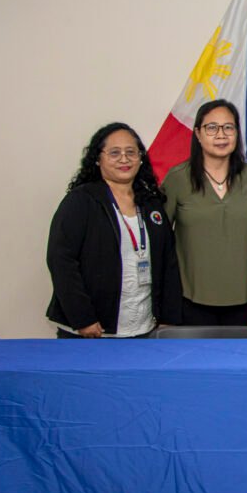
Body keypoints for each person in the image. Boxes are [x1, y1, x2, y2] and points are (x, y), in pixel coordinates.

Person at [46, 123, 182, 338]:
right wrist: (83, 318)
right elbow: (61, 260)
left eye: (131, 152)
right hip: (92, 330)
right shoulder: (81, 201)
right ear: (98, 158)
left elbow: (169, 262)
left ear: (140, 158)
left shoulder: (151, 204)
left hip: (143, 328)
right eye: (114, 153)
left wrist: (168, 317)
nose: (124, 159)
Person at [162, 100, 247, 327]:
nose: (221, 135)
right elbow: (161, 238)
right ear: (197, 133)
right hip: (190, 300)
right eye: (212, 128)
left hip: (241, 299)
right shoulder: (178, 178)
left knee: (236, 362)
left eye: (229, 127)